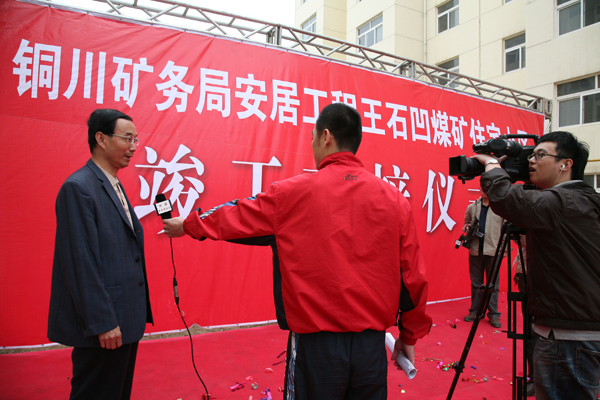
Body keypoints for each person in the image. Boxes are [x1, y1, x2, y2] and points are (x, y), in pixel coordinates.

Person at [163, 103, 432, 400]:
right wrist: (409, 335)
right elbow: (413, 278)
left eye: (312, 136)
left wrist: (188, 224)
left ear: (325, 137)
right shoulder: (395, 200)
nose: (312, 142)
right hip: (371, 349)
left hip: (316, 350)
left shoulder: (290, 194)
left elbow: (236, 215)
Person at [473, 131, 600, 400]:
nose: (532, 161)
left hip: (566, 336)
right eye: (531, 155)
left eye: (540, 155)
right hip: (580, 329)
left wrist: (492, 165)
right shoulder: (585, 200)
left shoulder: (562, 202)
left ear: (565, 164)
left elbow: (507, 199)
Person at [48, 109, 153, 400]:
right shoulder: (79, 188)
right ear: (101, 139)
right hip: (105, 327)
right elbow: (80, 263)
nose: (134, 147)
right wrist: (103, 322)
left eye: (136, 139)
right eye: (127, 138)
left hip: (124, 319)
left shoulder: (112, 183)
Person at [462, 187, 504, 329]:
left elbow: (505, 230)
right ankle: (475, 311)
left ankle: (493, 314)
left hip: (494, 250)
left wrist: (503, 249)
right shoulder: (472, 207)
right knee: (476, 284)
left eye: (487, 187)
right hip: (475, 250)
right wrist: (467, 227)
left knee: (493, 285)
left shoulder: (500, 208)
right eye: (482, 187)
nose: (484, 190)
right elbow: (466, 223)